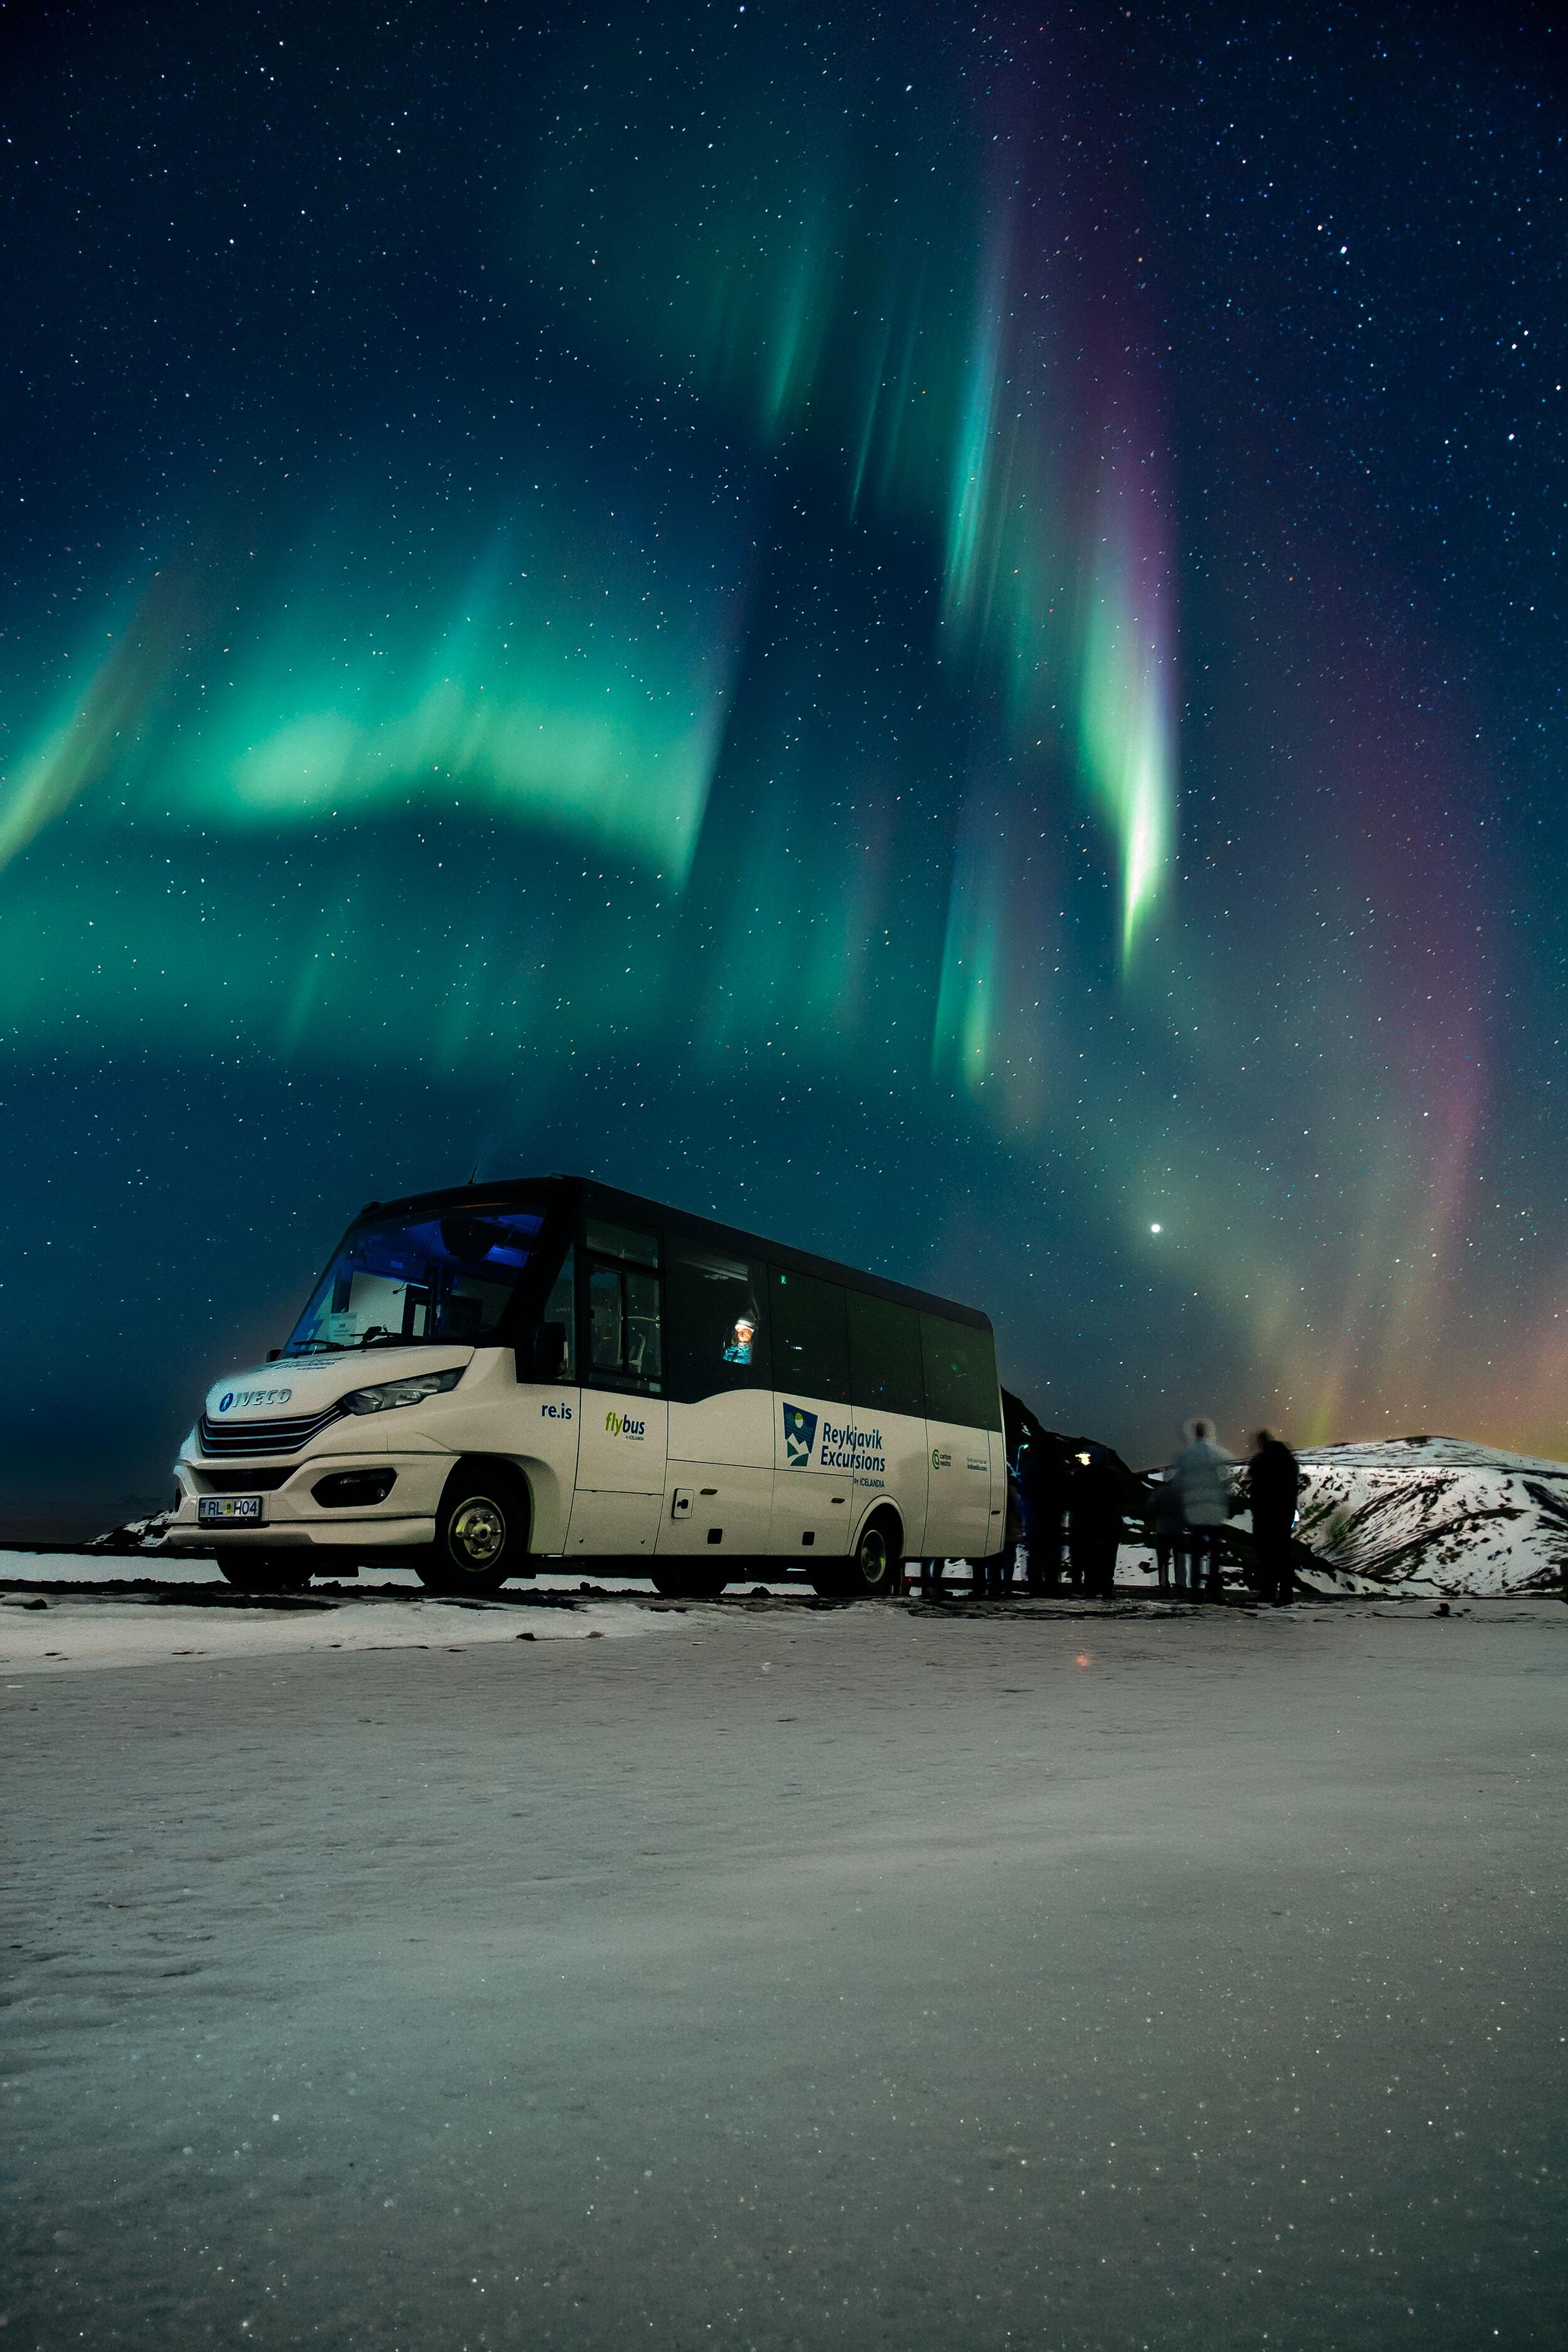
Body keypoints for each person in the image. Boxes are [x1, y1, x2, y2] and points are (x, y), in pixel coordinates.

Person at [1173, 1418, 1233, 1600]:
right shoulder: (1219, 1453)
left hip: (1194, 1509)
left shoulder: (1186, 1455)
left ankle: (1196, 1587)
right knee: (1215, 1551)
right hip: (1215, 1508)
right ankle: (1214, 1586)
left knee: (1197, 1550)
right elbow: (1229, 1476)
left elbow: (1179, 1482)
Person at [1247, 1428, 1301, 1605]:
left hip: (1266, 1515)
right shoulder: (1288, 1461)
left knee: (1266, 1554)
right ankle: (1286, 1594)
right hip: (1285, 1514)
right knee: (1283, 1554)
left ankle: (1268, 1592)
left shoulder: (1262, 1461)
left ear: (1261, 1443)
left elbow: (1257, 1487)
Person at [1067, 1448, 1123, 1599]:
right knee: (1109, 1557)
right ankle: (1106, 1588)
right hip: (1110, 1521)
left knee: (1089, 1556)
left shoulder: (1079, 1475)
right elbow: (1122, 1497)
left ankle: (1090, 1587)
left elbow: (1071, 1499)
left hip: (1086, 1522)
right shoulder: (1114, 1475)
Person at [1018, 1437, 1068, 1594]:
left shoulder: (1031, 1468)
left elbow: (1025, 1490)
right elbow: (1066, 1494)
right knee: (1052, 1557)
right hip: (1053, 1519)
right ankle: (1052, 1587)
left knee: (1036, 1556)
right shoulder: (1060, 1468)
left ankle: (1035, 1587)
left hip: (1035, 1519)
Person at [1151, 1469, 1188, 1594]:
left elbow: (1153, 1509)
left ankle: (1163, 1582)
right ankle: (1181, 1583)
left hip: (1162, 1529)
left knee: (1163, 1558)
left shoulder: (1160, 1492)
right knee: (1180, 1559)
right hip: (1178, 1530)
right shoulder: (1182, 1493)